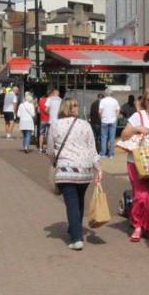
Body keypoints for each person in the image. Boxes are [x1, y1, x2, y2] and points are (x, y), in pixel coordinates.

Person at [48, 97, 102, 251]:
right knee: (79, 201)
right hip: (84, 171)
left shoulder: (55, 125)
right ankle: (74, 228)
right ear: (71, 108)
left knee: (71, 203)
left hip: (65, 169)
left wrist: (53, 162)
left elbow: (50, 149)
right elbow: (92, 149)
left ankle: (76, 238)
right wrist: (98, 167)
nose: (77, 108)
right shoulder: (85, 125)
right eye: (75, 105)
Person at [120, 89, 149, 242]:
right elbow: (124, 135)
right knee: (141, 196)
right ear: (144, 102)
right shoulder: (137, 116)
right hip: (137, 163)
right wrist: (136, 129)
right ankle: (137, 225)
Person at [98, 93, 121, 158]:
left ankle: (103, 153)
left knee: (104, 138)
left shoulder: (102, 101)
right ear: (112, 94)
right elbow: (118, 110)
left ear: (105, 94)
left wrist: (101, 118)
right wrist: (115, 117)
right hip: (113, 121)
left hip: (104, 121)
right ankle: (111, 154)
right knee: (112, 138)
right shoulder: (115, 101)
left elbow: (100, 111)